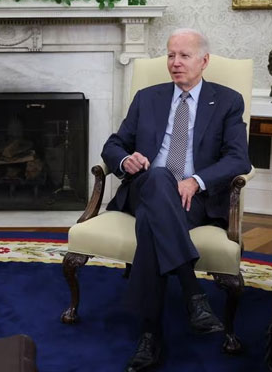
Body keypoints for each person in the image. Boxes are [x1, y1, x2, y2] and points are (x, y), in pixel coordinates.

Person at [101, 28, 251, 371]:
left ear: (204, 61)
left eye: (184, 55)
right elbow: (114, 144)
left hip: (193, 197)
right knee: (155, 177)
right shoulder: (147, 97)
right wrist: (126, 161)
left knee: (153, 227)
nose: (175, 62)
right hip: (146, 188)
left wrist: (196, 181)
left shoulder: (227, 100)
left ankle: (150, 336)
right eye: (170, 55)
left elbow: (238, 158)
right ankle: (193, 293)